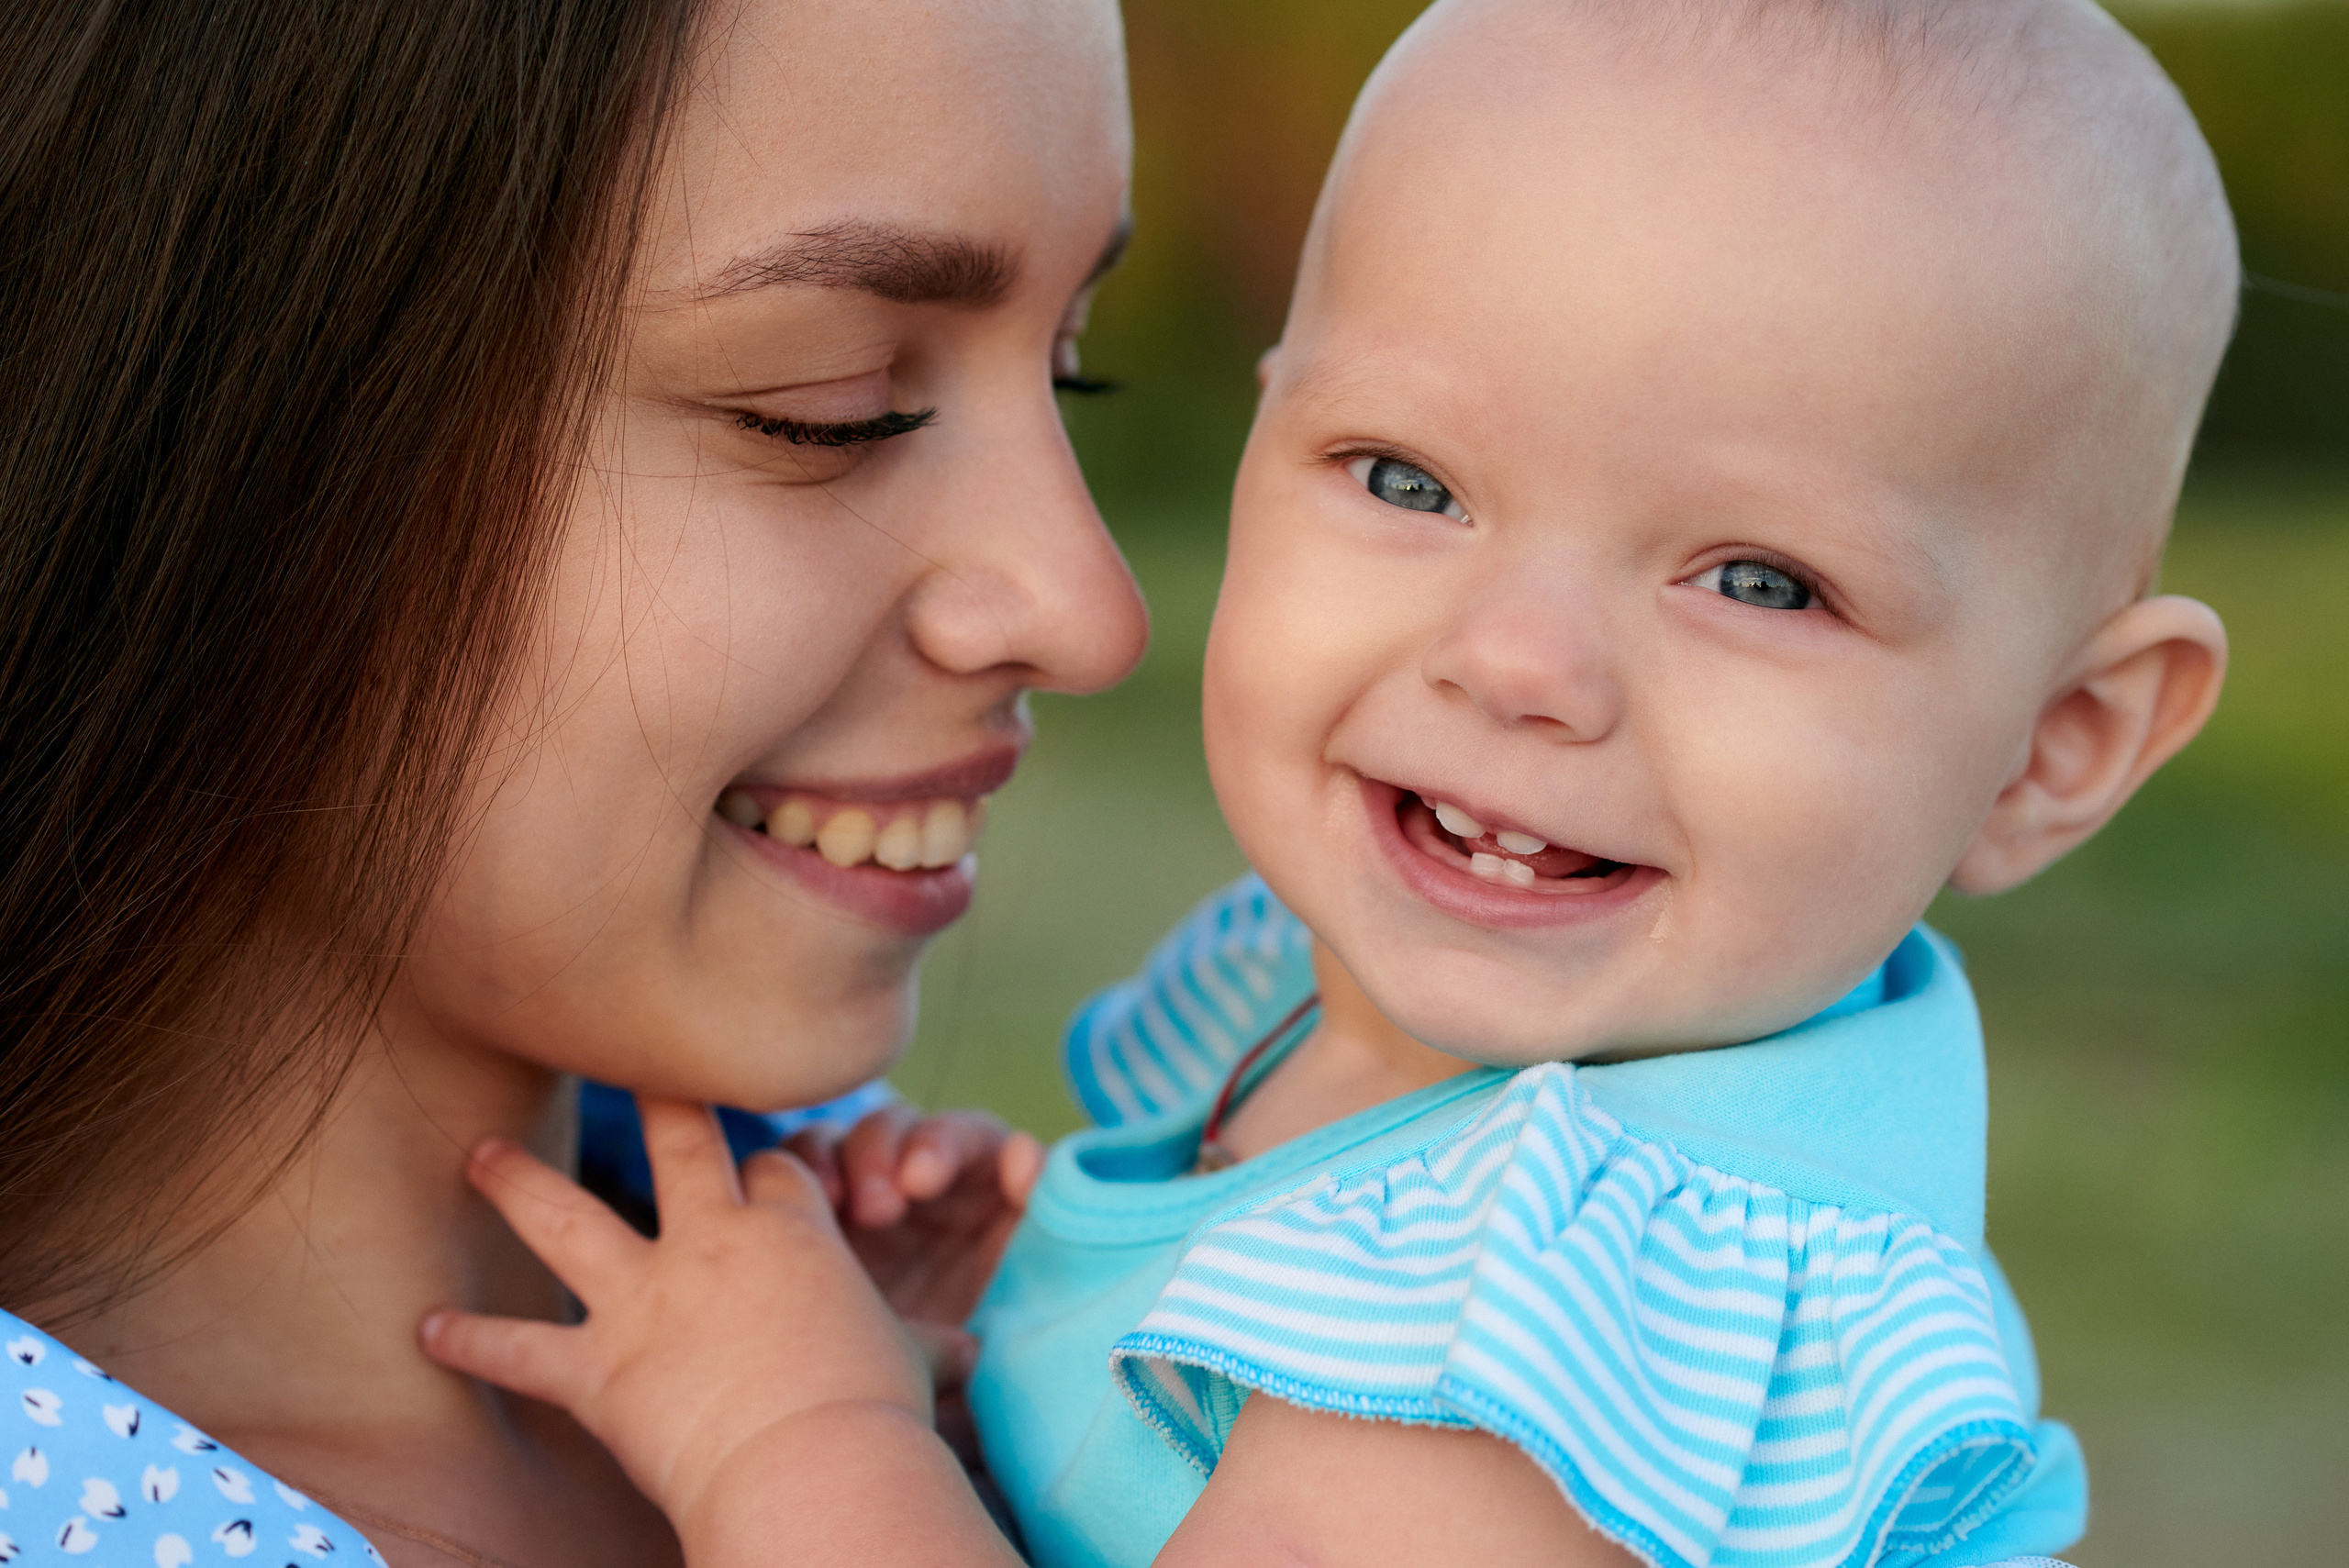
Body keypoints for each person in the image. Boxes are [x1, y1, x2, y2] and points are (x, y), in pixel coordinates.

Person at [417, 0, 2236, 1565]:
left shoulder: (1567, 1307)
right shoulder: (1360, 1048)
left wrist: (798, 1442)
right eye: (1404, 479)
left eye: (1756, 582)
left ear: (2055, 748)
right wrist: (1020, 1338)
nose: (1518, 663)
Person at [0, 0, 1142, 1562]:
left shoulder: (1016, 1342)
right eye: (832, 407)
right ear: (236, 439)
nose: (1090, 610)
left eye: (1071, 374)